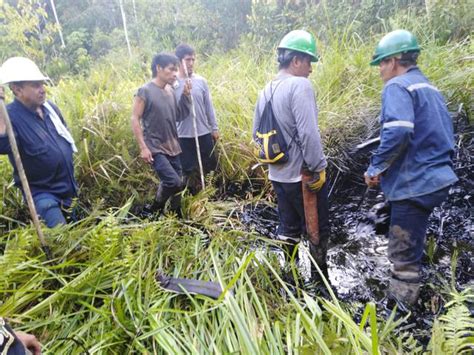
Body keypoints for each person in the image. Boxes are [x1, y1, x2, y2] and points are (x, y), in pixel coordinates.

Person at [365, 29, 458, 306]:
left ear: (394, 60)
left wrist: (376, 167)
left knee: (402, 258)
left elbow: (400, 131)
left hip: (414, 184)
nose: (380, 69)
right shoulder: (428, 86)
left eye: (382, 62)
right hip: (436, 179)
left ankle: (402, 317)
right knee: (398, 221)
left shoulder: (397, 86)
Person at [253, 30, 330, 282]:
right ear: (295, 60)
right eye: (308, 62)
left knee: (288, 228)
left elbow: (256, 134)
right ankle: (321, 286)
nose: (310, 68)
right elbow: (309, 133)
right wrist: (318, 168)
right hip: (303, 178)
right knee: (317, 230)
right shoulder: (300, 85)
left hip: (278, 176)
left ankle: (291, 278)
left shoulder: (266, 89)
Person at [0, 57, 78, 228]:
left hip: (69, 189)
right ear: (17, 89)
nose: (42, 90)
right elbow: (2, 146)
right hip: (43, 194)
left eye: (42, 84)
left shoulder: (51, 109)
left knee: (80, 236)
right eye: (35, 85)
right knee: (62, 239)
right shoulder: (10, 116)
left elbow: (64, 136)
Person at [131, 52, 192, 215]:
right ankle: (156, 208)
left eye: (176, 70)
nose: (175, 74)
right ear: (158, 68)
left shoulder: (171, 90)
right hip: (155, 147)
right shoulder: (145, 91)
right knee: (174, 182)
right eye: (171, 69)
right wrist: (143, 147)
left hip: (173, 146)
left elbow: (178, 116)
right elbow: (135, 118)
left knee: (178, 187)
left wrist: (185, 96)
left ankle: (175, 216)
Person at [174, 44, 219, 192]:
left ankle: (213, 193)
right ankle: (191, 196)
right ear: (179, 61)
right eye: (187, 60)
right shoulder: (173, 84)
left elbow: (208, 107)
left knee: (211, 166)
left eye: (193, 59)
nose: (191, 63)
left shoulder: (201, 81)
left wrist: (214, 128)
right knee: (187, 169)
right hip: (183, 135)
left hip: (203, 132)